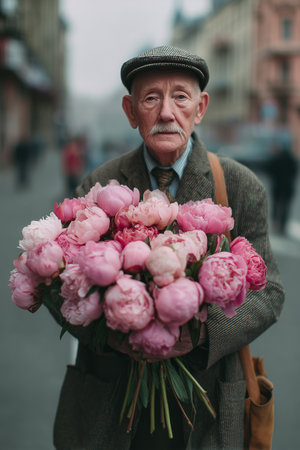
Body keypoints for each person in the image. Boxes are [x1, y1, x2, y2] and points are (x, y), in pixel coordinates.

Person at [52, 46, 284, 449]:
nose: (165, 113)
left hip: (205, 399)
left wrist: (200, 332)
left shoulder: (239, 184)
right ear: (130, 111)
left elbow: (270, 293)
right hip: (112, 399)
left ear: (200, 107)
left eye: (180, 96)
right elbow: (58, 286)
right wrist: (115, 330)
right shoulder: (99, 185)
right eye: (151, 98)